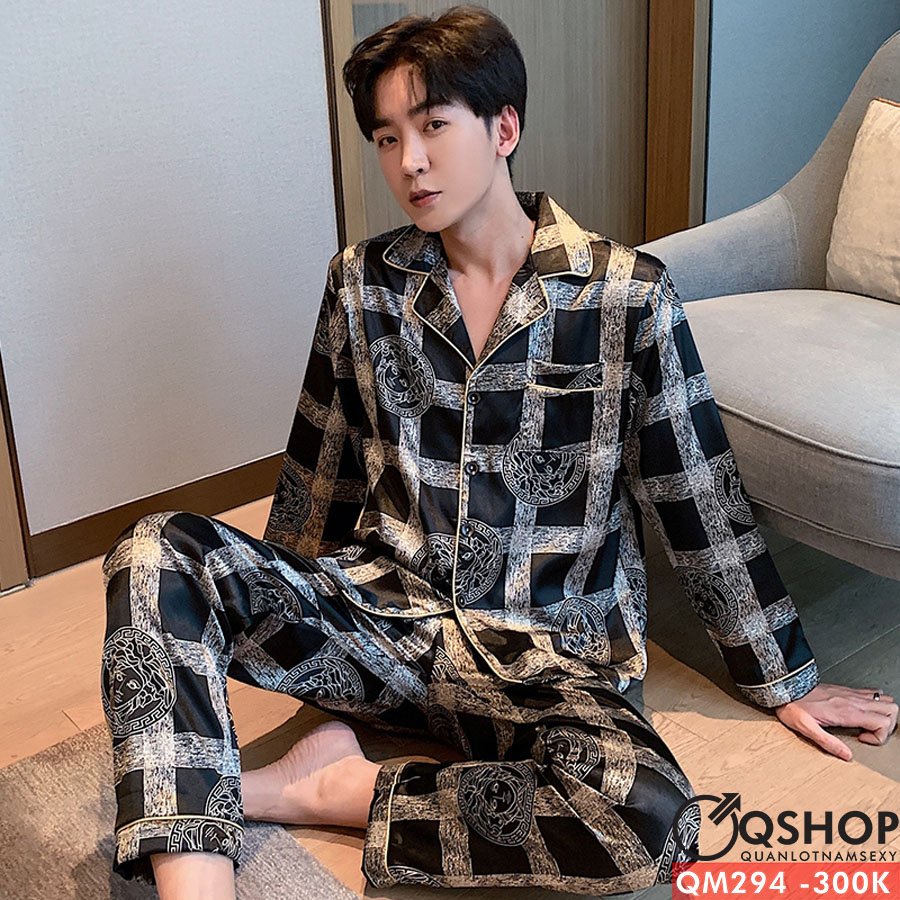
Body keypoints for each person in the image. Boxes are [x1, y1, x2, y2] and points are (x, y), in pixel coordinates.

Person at [100, 6, 898, 898]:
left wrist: (784, 675)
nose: (410, 161)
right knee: (153, 551)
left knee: (649, 813)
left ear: (504, 127)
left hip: (548, 652)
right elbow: (319, 468)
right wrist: (282, 621)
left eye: (434, 125)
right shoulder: (362, 284)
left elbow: (696, 493)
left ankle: (331, 790)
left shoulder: (626, 296)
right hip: (388, 619)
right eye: (387, 137)